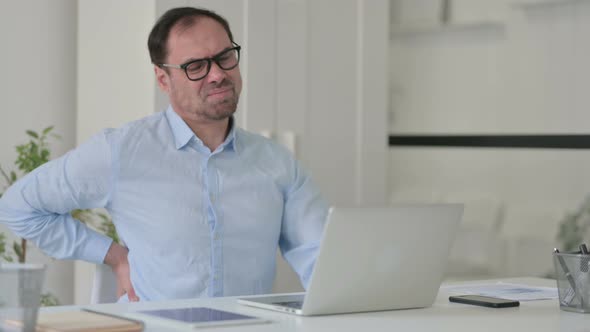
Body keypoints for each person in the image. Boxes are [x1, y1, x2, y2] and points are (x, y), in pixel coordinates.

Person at [0, 7, 328, 302]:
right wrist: (113, 255)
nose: (217, 74)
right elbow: (18, 206)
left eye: (225, 57)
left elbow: (321, 258)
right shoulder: (120, 151)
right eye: (196, 66)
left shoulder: (278, 163)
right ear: (163, 79)